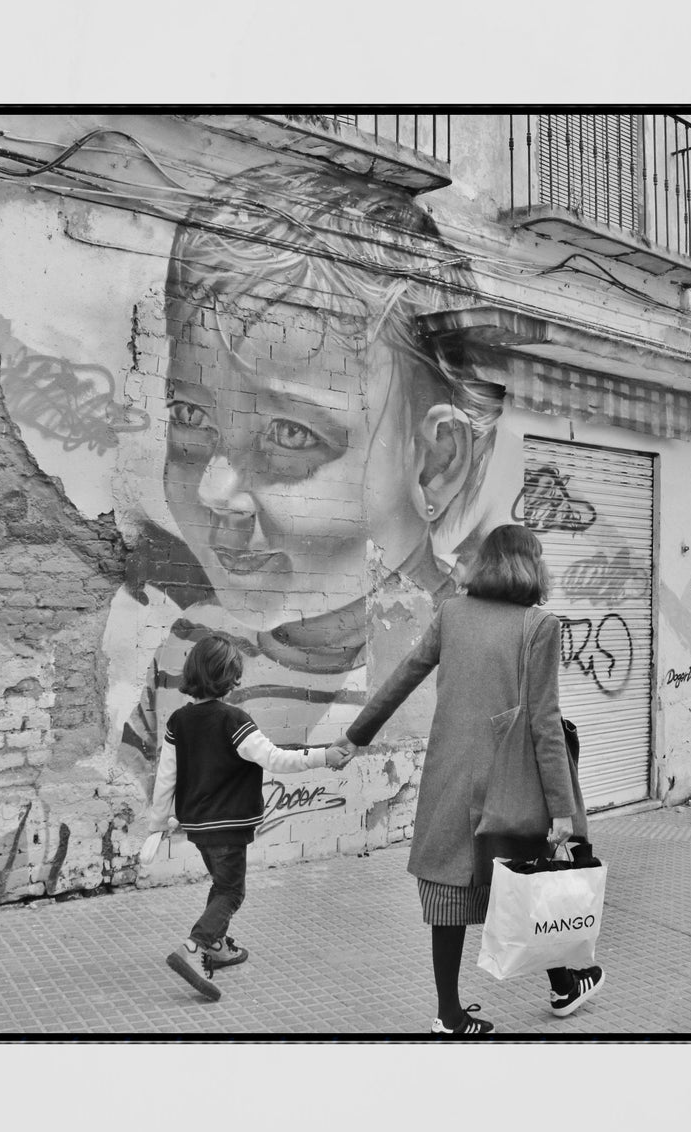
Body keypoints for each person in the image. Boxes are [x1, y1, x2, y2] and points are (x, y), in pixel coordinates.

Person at [105, 160, 505, 781]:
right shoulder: (191, 649)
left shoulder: (474, 653)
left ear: (436, 462)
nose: (214, 490)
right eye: (189, 415)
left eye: (290, 434)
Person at [334, 524, 603, 1036]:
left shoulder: (452, 613)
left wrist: (356, 736)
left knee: (449, 892)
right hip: (512, 783)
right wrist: (563, 808)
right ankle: (566, 981)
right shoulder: (540, 626)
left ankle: (451, 1014)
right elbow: (545, 723)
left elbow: (406, 673)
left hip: (450, 777)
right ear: (530, 566)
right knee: (525, 877)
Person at [139, 633, 352, 1000]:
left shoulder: (179, 721)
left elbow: (166, 777)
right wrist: (323, 755)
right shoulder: (233, 719)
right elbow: (274, 759)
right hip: (230, 826)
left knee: (221, 885)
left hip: (198, 827)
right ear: (229, 677)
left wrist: (158, 823)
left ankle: (218, 947)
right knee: (232, 890)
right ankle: (195, 947)